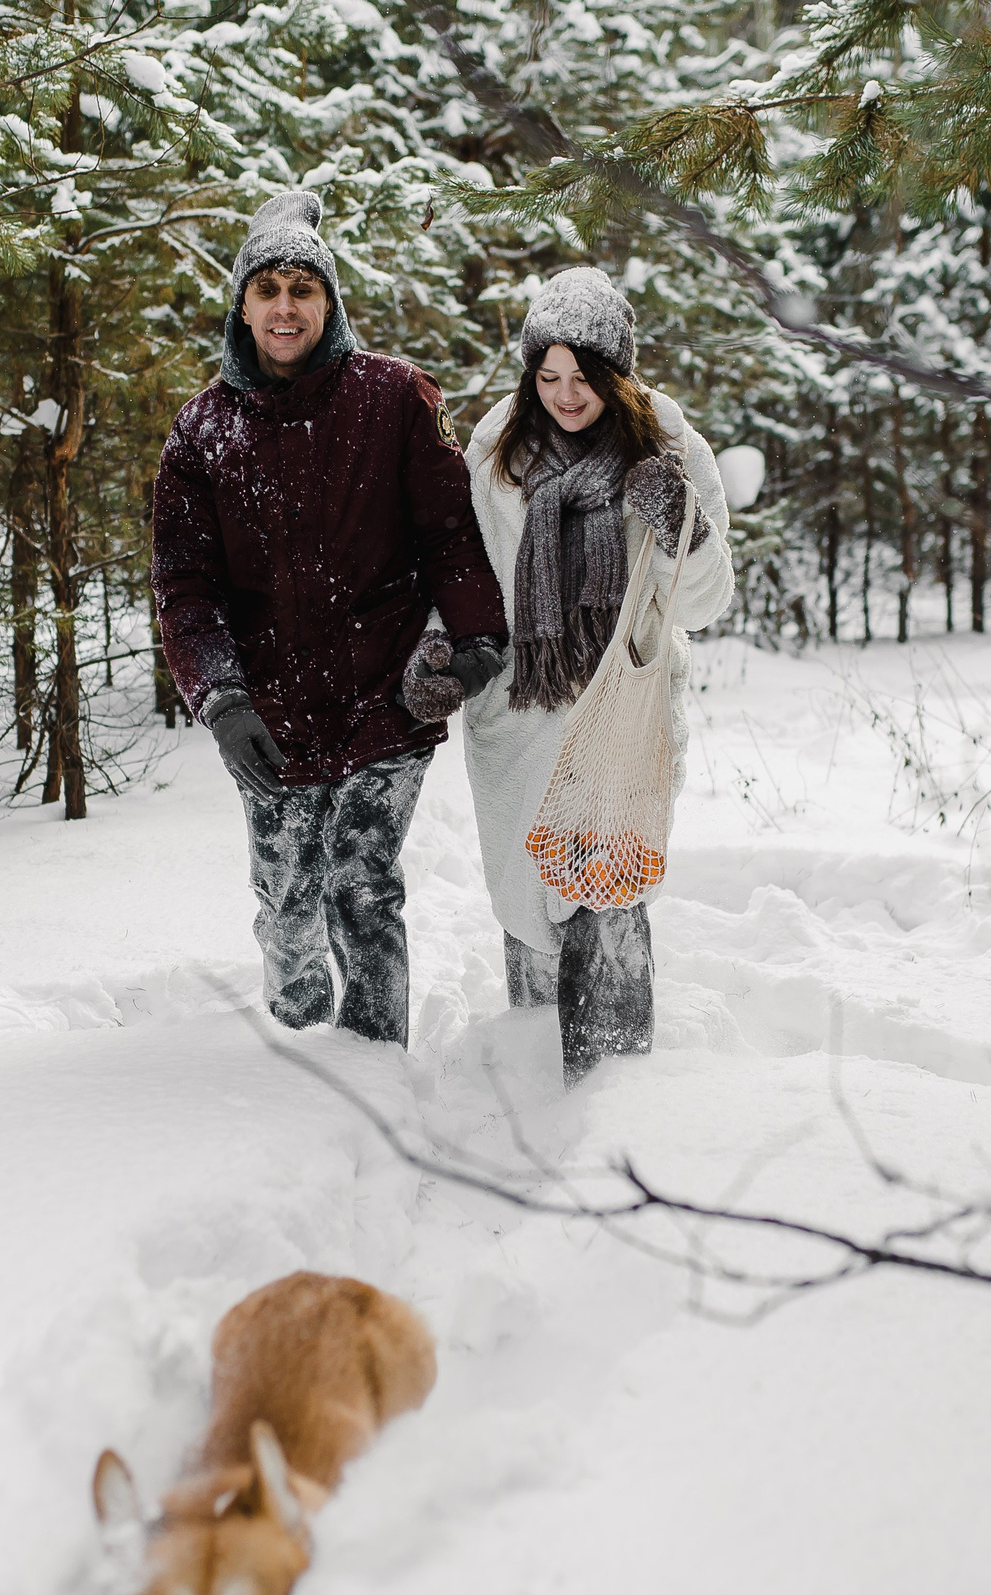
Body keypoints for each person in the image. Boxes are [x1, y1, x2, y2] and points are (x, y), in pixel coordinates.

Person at [151, 191, 508, 1047]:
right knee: (286, 904)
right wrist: (223, 700)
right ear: (242, 304)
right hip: (267, 710)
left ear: (329, 302)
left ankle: (377, 1065)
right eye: (266, 288)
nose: (284, 307)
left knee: (361, 883)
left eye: (302, 289)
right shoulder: (200, 432)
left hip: (386, 696)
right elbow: (185, 587)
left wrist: (476, 637)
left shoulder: (394, 399)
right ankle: (303, 1068)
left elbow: (450, 536)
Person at [460, 267, 735, 1080]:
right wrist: (446, 655)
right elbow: (465, 580)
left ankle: (611, 1095)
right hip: (521, 716)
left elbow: (706, 601)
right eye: (547, 377)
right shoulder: (496, 453)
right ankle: (529, 1088)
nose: (565, 396)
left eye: (583, 378)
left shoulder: (671, 450)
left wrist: (680, 526)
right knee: (530, 905)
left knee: (607, 899)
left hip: (620, 711)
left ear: (617, 374)